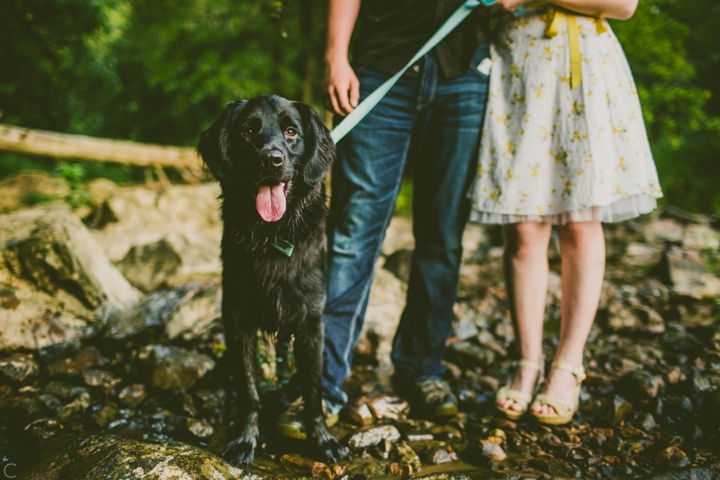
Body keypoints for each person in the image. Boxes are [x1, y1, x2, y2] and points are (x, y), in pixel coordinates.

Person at [277, 0, 493, 438]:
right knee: (352, 233)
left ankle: (422, 369)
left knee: (444, 236)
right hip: (380, 64)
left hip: (466, 73)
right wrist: (336, 57)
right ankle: (318, 384)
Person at [470, 0, 662, 424]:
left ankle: (567, 367)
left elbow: (624, 5)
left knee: (580, 221)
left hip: (581, 72)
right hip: (517, 68)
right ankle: (527, 362)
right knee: (522, 231)